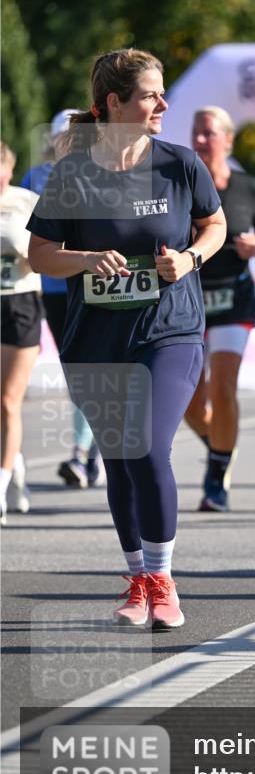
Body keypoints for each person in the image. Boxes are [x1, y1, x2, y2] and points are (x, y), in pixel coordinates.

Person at [27, 48, 226, 629]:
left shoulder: (180, 164)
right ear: (115, 104)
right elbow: (40, 254)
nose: (163, 103)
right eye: (150, 95)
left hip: (170, 329)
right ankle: (138, 577)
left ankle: (163, 579)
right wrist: (87, 259)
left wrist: (189, 260)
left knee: (144, 443)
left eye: (163, 93)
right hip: (95, 336)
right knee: (117, 459)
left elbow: (213, 226)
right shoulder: (73, 174)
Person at [184, 106, 255, 510]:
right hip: (188, 298)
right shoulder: (179, 185)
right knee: (187, 399)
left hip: (234, 297)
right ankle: (221, 445)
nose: (200, 140)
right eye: (196, 133)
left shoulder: (249, 188)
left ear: (228, 140)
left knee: (223, 385)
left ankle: (216, 476)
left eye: (208, 133)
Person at [20, 109, 105, 489]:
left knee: (95, 367)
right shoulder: (36, 177)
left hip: (94, 282)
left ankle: (85, 451)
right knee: (78, 371)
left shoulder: (100, 170)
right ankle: (89, 451)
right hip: (52, 288)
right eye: (59, 137)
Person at [0, 143, 41, 524]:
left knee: (9, 400)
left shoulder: (26, 201)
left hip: (20, 304)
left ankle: (1, 484)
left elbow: (46, 250)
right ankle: (15, 463)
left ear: (9, 170)